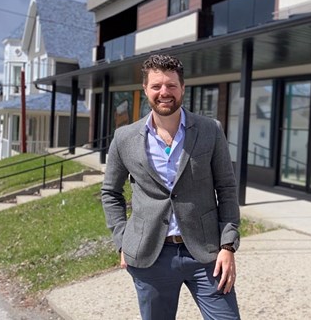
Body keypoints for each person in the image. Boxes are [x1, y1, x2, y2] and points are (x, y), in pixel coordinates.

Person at [101, 54, 241, 320]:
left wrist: (228, 245)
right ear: (145, 90)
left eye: (171, 85)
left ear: (182, 88)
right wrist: (122, 241)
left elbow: (226, 187)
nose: (164, 92)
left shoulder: (210, 130)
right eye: (156, 86)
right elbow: (110, 193)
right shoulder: (124, 137)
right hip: (150, 257)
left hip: (206, 254)